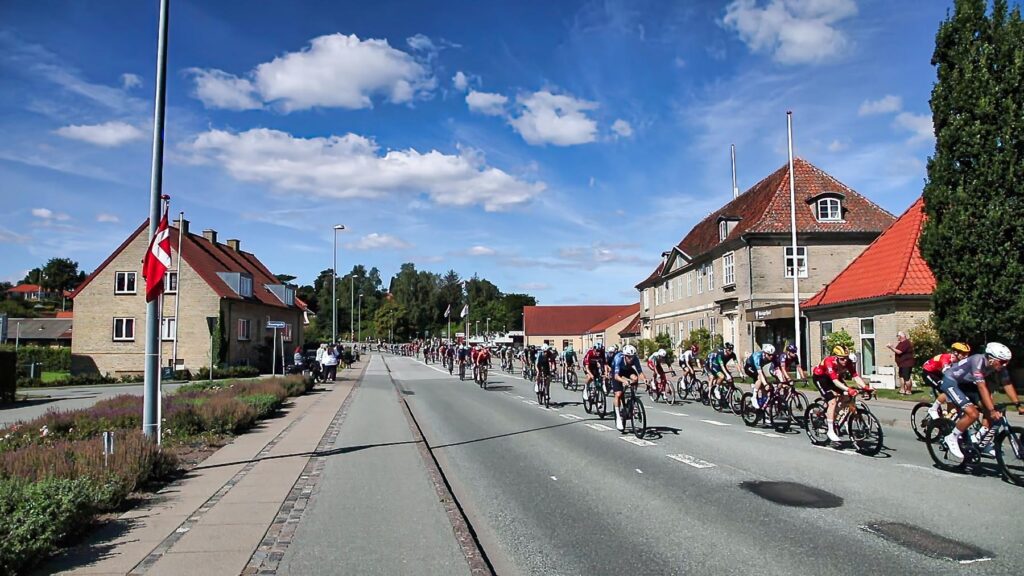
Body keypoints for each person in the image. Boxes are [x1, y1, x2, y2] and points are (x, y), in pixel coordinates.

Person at [939, 342, 1023, 459]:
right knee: (973, 414)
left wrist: (1018, 404)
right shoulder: (978, 360)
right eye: (1003, 362)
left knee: (992, 411)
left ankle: (982, 441)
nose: (1005, 365)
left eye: (1007, 362)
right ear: (992, 359)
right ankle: (951, 438)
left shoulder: (999, 367)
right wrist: (991, 410)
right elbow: (981, 387)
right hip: (951, 382)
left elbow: (1007, 384)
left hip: (967, 384)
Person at [812, 345, 871, 442]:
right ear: (836, 357)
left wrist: (865, 387)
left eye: (846, 358)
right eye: (842, 359)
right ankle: (830, 431)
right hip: (821, 378)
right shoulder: (829, 361)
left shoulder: (848, 363)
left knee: (846, 397)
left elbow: (855, 377)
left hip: (834, 378)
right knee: (832, 401)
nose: (845, 361)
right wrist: (848, 389)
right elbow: (835, 382)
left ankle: (834, 415)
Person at [922, 342, 971, 420]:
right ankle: (933, 409)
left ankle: (948, 417)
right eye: (964, 354)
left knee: (952, 393)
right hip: (928, 372)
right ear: (956, 353)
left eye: (967, 354)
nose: (966, 356)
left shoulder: (958, 361)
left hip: (937, 372)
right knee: (946, 388)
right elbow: (946, 371)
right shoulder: (946, 358)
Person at [611, 344, 648, 432]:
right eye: (628, 357)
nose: (631, 359)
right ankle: (618, 417)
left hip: (627, 370)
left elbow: (640, 372)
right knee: (618, 394)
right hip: (617, 372)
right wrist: (624, 381)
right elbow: (616, 376)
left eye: (632, 357)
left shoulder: (635, 359)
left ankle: (633, 399)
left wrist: (645, 379)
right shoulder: (618, 359)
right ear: (625, 356)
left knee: (635, 378)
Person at [744, 344, 776, 408]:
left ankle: (762, 404)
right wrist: (765, 384)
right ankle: (754, 397)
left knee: (765, 387)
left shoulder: (771, 357)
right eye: (769, 355)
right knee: (760, 379)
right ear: (764, 353)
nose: (771, 357)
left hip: (758, 369)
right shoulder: (757, 356)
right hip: (749, 368)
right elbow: (760, 373)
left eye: (772, 355)